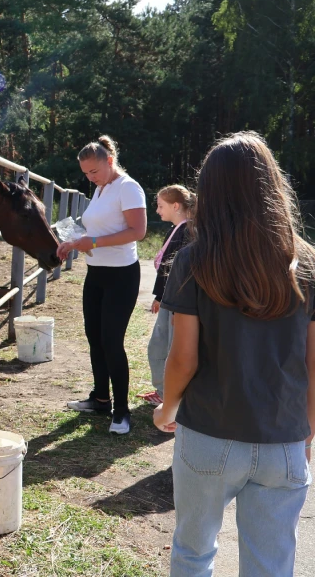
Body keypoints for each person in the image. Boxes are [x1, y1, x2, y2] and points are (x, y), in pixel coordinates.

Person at [154, 131, 314, 576]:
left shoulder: (193, 259)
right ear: (272, 185)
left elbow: (182, 357)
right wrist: (307, 433)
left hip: (207, 433)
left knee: (193, 552)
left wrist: (167, 408)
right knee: (271, 564)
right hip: (283, 439)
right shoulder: (308, 264)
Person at [57, 135, 147, 435]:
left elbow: (138, 231)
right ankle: (100, 399)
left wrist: (92, 241)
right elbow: (96, 228)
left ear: (109, 161)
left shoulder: (128, 187)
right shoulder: (100, 189)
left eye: (94, 171)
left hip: (121, 275)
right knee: (94, 338)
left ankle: (122, 411)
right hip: (95, 274)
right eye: (85, 174)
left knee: (112, 342)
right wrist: (72, 242)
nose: (90, 178)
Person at [138, 185, 195, 406]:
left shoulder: (186, 231)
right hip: (171, 300)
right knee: (162, 345)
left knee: (162, 347)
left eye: (161, 206)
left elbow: (172, 270)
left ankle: (167, 393)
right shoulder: (179, 228)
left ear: (176, 205)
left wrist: (161, 296)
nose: (158, 211)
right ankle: (166, 390)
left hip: (174, 302)